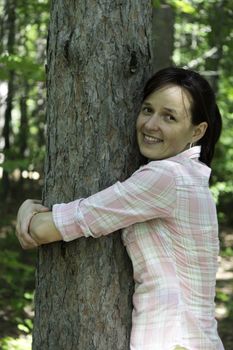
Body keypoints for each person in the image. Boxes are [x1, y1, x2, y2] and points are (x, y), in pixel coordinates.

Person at [16, 67, 224, 350]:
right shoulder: (189, 178)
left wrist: (27, 209)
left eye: (169, 117)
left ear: (198, 131)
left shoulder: (166, 178)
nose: (151, 125)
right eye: (147, 110)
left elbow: (43, 230)